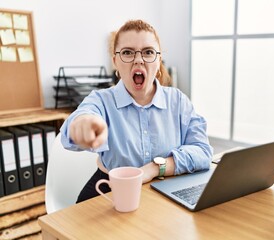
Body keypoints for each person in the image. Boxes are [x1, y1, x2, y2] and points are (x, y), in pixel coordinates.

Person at [60, 19, 213, 203]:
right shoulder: (101, 100)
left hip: (165, 190)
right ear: (115, 61)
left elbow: (203, 152)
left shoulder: (178, 101)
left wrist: (155, 168)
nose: (138, 60)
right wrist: (81, 124)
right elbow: (81, 120)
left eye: (148, 52)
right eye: (127, 53)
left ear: (158, 60)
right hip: (108, 191)